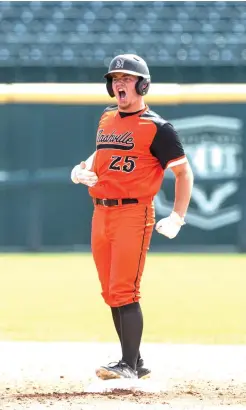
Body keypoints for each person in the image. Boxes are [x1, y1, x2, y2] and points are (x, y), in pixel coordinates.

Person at [71, 54, 194, 380]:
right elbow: (102, 151)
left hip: (133, 212)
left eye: (126, 78)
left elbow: (183, 172)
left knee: (125, 289)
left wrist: (178, 216)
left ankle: (127, 365)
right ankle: (135, 361)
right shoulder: (107, 118)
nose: (119, 84)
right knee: (111, 290)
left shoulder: (157, 127)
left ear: (142, 84)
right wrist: (82, 168)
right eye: (114, 79)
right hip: (101, 211)